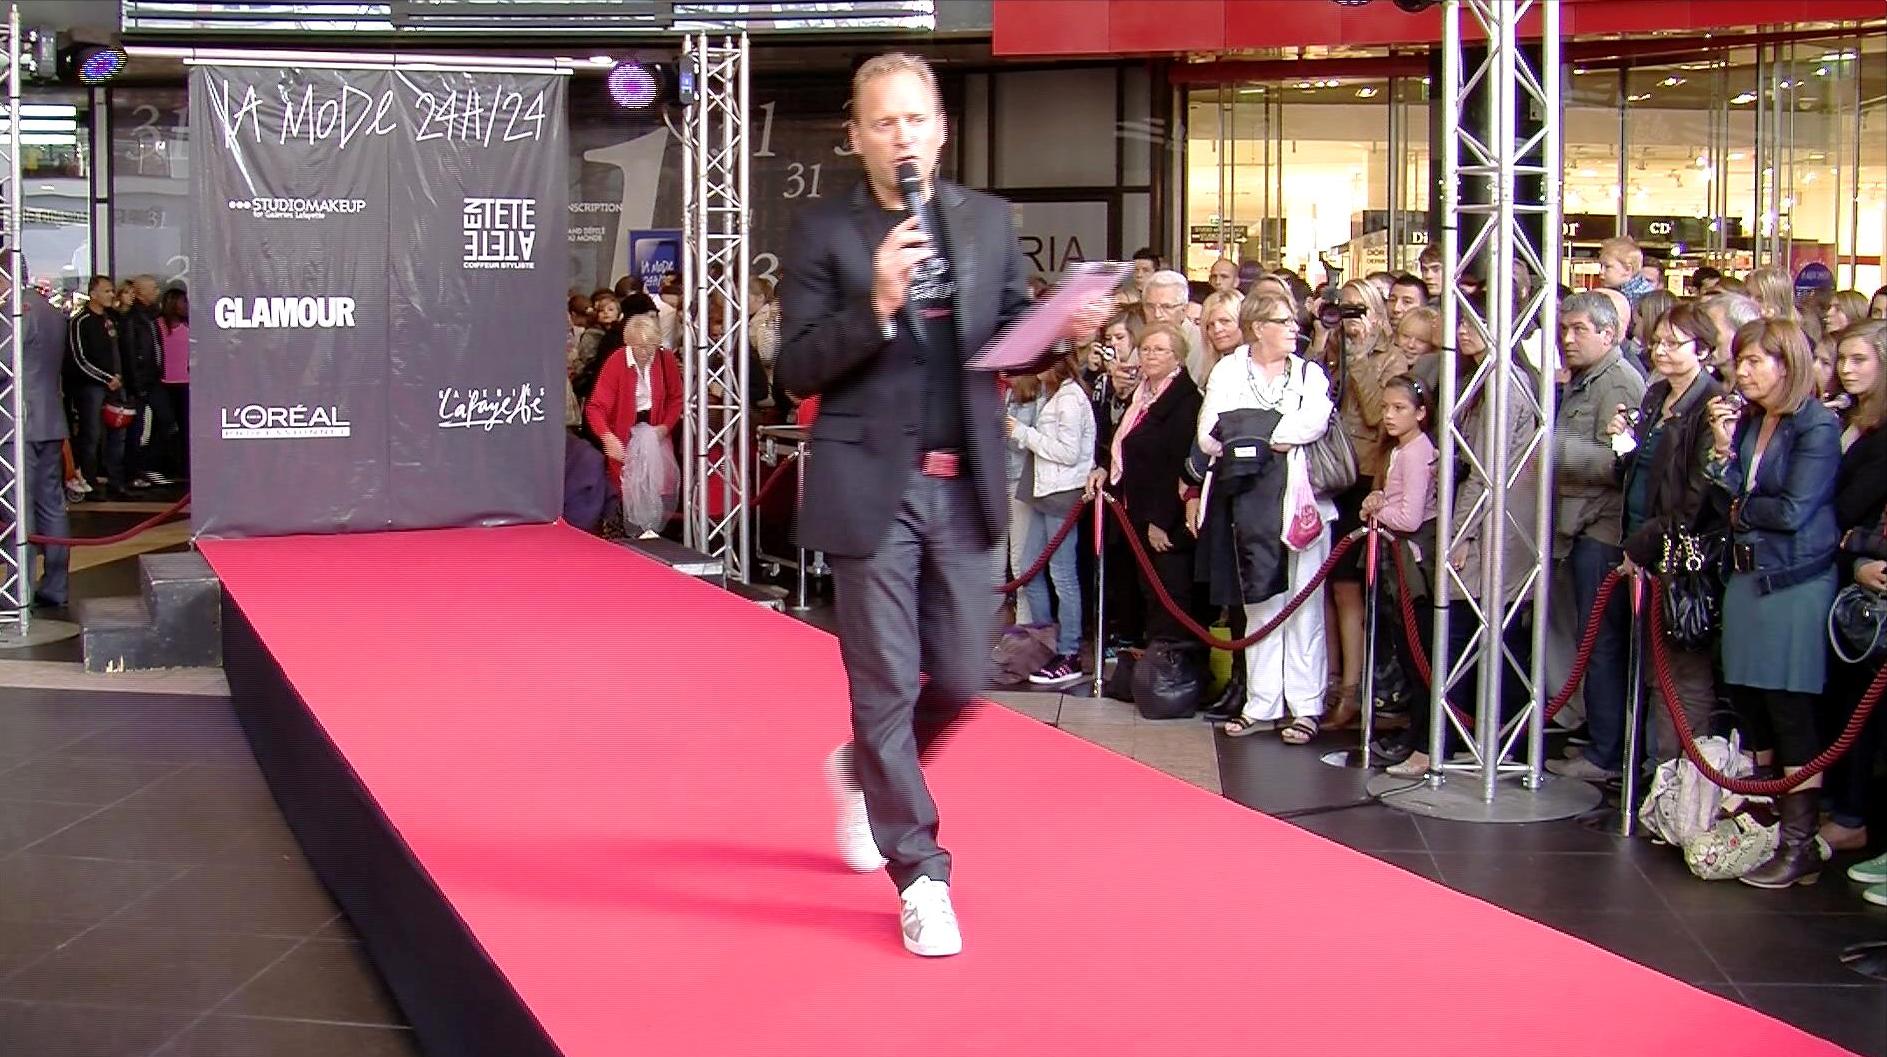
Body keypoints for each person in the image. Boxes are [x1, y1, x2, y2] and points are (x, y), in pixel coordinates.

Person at [773, 52, 1101, 958]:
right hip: (867, 486)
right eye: (882, 122)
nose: (901, 136)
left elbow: (1001, 346)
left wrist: (1051, 333)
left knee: (959, 677)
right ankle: (920, 870)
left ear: (941, 127)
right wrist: (876, 303)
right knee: (881, 685)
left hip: (965, 484)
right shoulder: (823, 231)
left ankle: (860, 770)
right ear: (855, 136)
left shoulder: (988, 222)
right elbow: (793, 366)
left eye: (914, 119)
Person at [1703, 319, 1840, 889]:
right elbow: (1726, 484)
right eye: (1741, 361)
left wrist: (1742, 505)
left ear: (1788, 363)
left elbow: (1791, 511)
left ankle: (1800, 840)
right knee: (1751, 701)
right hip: (1749, 579)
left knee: (1790, 709)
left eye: (1757, 361)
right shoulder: (1755, 421)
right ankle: (1765, 814)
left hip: (1792, 584)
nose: (1744, 372)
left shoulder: (1817, 426)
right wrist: (1722, 452)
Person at [1196, 290, 1334, 743]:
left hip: (1300, 503)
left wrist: (1252, 430)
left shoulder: (1309, 373)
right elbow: (1209, 435)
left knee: (1303, 607)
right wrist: (1270, 431)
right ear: (1259, 328)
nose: (1296, 328)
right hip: (1244, 503)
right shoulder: (1229, 369)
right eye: (1285, 321)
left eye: (1296, 321)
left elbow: (1313, 421)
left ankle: (1306, 706)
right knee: (1259, 606)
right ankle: (1262, 703)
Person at [1611, 302, 1724, 763]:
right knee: (1651, 665)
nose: (1660, 351)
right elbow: (1637, 471)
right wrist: (1622, 444)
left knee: (1681, 670)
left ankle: (1677, 771)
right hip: (1641, 536)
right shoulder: (1655, 395)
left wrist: (1645, 545)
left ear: (1703, 349)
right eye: (1656, 341)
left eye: (1673, 343)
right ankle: (1652, 765)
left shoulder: (1710, 403)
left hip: (1679, 551)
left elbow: (1694, 495)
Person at [1545, 292, 1645, 782]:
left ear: (1609, 334)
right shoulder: (1582, 381)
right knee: (1586, 637)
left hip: (1600, 528)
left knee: (1601, 642)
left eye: (1579, 329)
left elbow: (1621, 462)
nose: (1568, 339)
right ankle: (1594, 735)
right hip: (1575, 525)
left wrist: (1558, 451)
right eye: (1565, 329)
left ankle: (1607, 751)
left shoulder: (1621, 383)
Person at [1006, 349, 1096, 686]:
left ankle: (1069, 651)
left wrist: (1022, 433)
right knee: (1030, 568)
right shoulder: (1053, 394)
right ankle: (1045, 638)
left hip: (1062, 492)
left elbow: (1068, 453)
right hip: (1044, 490)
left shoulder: (1070, 398)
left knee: (1063, 575)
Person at [583, 315, 683, 502]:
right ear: (629, 343)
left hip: (656, 430)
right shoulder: (616, 361)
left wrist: (665, 427)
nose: (646, 353)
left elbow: (676, 399)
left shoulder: (665, 357)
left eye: (651, 346)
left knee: (657, 488)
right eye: (640, 347)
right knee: (625, 489)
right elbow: (596, 407)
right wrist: (607, 436)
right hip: (624, 431)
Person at [17, 259, 70, 609]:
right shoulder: (51, 311)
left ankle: (18, 587)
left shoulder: (15, 312)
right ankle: (55, 584)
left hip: (18, 420)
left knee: (20, 505)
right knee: (52, 505)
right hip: (51, 417)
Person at [67, 274, 127, 500]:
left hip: (116, 384)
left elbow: (119, 352)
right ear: (93, 294)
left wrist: (120, 378)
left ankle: (116, 481)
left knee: (118, 433)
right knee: (91, 435)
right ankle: (89, 483)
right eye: (107, 291)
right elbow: (78, 358)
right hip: (91, 387)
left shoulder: (111, 319)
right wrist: (105, 378)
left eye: (112, 291)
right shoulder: (80, 320)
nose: (112, 295)